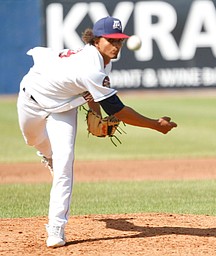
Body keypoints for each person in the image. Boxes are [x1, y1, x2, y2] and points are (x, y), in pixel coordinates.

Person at [17, 16, 177, 248]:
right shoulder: (89, 65)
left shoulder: (103, 61)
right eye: (110, 40)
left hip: (63, 107)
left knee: (65, 164)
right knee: (32, 140)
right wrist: (155, 125)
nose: (116, 46)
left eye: (119, 41)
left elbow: (90, 93)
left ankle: (56, 227)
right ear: (95, 40)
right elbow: (118, 110)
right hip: (31, 99)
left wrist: (96, 114)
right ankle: (47, 154)